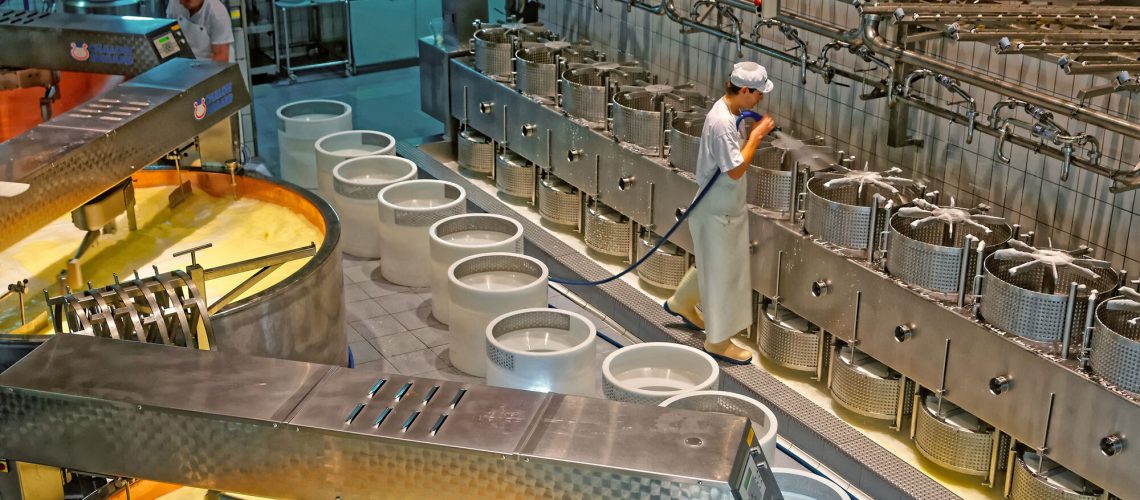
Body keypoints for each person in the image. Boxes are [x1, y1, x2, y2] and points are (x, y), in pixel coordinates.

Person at [663, 61, 777, 364]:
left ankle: (680, 303)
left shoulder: (730, 112)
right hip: (717, 210)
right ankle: (718, 343)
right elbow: (736, 170)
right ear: (743, 90)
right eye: (758, 94)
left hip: (722, 206)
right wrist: (756, 137)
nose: (760, 100)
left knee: (710, 265)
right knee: (724, 275)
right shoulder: (721, 122)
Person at [167, 0, 234, 62]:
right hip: (184, 63)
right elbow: (169, 34)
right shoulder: (174, 3)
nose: (181, 2)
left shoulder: (217, 13)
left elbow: (221, 57)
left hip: (210, 66)